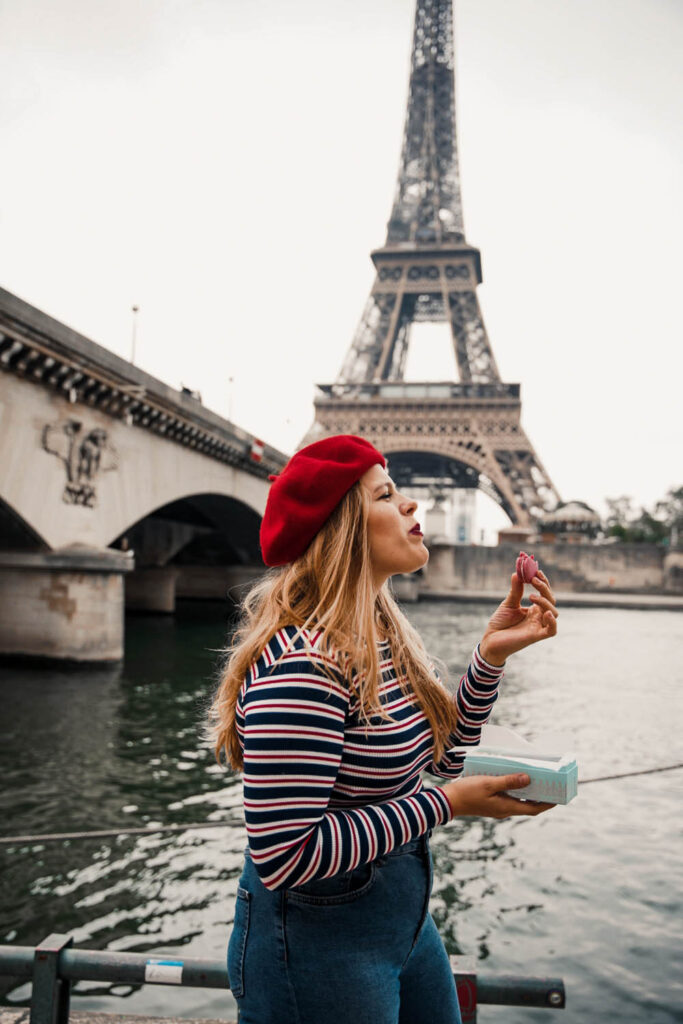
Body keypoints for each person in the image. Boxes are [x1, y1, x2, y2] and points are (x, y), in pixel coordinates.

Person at [209, 434, 559, 1024]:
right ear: (344, 527)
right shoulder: (305, 666)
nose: (411, 505)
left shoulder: (379, 643)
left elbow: (443, 761)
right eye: (386, 494)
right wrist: (446, 806)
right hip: (317, 949)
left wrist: (490, 658)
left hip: (403, 920)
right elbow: (285, 856)